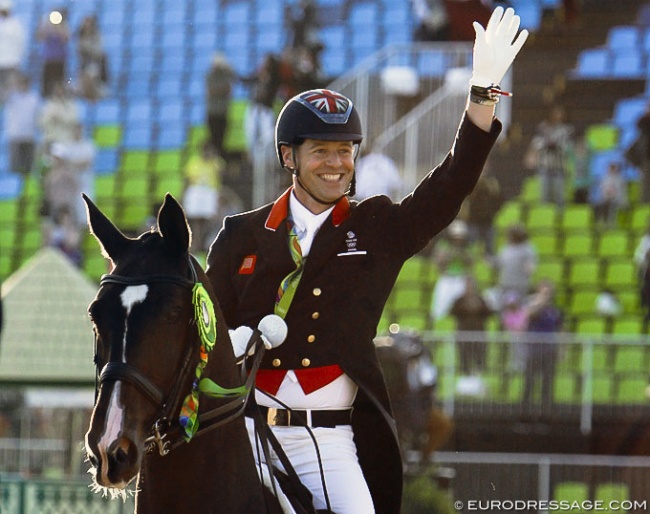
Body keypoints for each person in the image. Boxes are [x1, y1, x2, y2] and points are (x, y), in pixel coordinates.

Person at [205, 7, 527, 513]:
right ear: (288, 156)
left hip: (332, 444)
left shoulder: (374, 226)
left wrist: (482, 94)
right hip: (246, 435)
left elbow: (447, 188)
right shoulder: (240, 235)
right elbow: (204, 335)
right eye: (321, 152)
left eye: (345, 151)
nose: (337, 164)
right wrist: (230, 342)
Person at [522, 280, 564, 411]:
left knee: (548, 381)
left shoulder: (554, 311)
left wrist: (562, 350)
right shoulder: (532, 306)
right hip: (534, 350)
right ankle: (525, 407)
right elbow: (527, 316)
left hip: (549, 349)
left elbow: (561, 329)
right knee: (530, 380)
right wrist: (540, 302)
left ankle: (547, 408)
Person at [525, 104, 574, 207]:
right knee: (544, 196)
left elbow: (567, 146)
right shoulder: (542, 128)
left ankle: (559, 219)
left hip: (559, 167)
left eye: (560, 113)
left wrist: (556, 145)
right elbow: (536, 143)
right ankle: (544, 217)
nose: (558, 115)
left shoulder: (566, 129)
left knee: (560, 196)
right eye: (556, 112)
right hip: (545, 166)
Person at [182, 140, 225, 253]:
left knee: (210, 219)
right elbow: (187, 181)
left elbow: (221, 179)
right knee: (197, 220)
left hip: (210, 192)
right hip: (196, 192)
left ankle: (205, 241)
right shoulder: (193, 163)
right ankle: (196, 243)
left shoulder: (216, 163)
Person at [430, 219, 474, 321]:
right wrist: (450, 254)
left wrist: (461, 254)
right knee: (440, 308)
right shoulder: (443, 245)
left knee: (461, 308)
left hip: (461, 279)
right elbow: (438, 262)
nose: (457, 240)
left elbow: (471, 263)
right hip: (446, 278)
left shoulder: (467, 247)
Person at [450, 275, 493, 375]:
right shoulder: (459, 300)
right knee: (464, 358)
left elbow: (489, 313)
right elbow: (452, 312)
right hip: (463, 333)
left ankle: (479, 376)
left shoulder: (481, 299)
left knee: (479, 358)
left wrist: (479, 306)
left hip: (479, 333)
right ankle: (465, 376)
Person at [4, 73, 41, 176]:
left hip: (29, 136)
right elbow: (3, 94)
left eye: (25, 83)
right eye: (21, 83)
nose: (23, 85)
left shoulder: (34, 98)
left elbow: (37, 117)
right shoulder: (12, 97)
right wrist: (12, 82)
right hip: (15, 136)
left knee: (28, 168)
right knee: (15, 168)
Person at [492, 222, 537, 305]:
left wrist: (528, 267)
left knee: (517, 308)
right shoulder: (506, 248)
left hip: (519, 286)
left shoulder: (527, 248)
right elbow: (499, 263)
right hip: (505, 284)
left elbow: (530, 267)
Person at [464, 161, 502, 256]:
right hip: (473, 220)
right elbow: (468, 197)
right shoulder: (470, 182)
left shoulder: (492, 183)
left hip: (488, 221)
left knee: (489, 248)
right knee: (472, 246)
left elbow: (497, 198)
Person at [205, 52, 235, 158]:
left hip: (222, 112)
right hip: (213, 113)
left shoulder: (225, 75)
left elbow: (232, 82)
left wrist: (228, 67)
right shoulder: (210, 76)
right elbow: (212, 91)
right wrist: (223, 90)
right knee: (214, 139)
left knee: (222, 140)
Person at [37, 7, 70, 98]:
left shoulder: (64, 25)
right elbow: (40, 38)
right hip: (48, 59)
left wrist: (58, 27)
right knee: (47, 82)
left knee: (59, 81)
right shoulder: (46, 25)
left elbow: (66, 39)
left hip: (60, 59)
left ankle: (59, 96)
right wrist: (47, 26)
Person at [75, 14, 108, 100]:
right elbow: (79, 51)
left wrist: (88, 48)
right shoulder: (80, 36)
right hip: (85, 64)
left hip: (96, 64)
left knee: (90, 76)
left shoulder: (97, 36)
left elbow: (98, 52)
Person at [0, 0, 27, 104]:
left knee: (9, 94)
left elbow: (21, 45)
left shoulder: (16, 25)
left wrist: (18, 62)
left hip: (11, 64)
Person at [593, 160, 628, 227]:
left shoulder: (620, 179)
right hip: (606, 199)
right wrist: (607, 195)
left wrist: (612, 196)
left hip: (618, 200)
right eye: (610, 168)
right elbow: (602, 192)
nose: (612, 170)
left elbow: (621, 193)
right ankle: (601, 223)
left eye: (613, 168)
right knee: (600, 205)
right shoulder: (605, 179)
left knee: (611, 205)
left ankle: (610, 224)